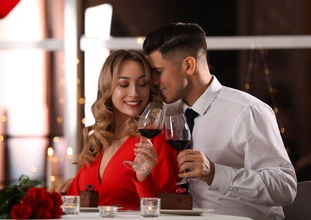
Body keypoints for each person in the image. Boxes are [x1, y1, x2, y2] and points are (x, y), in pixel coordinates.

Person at [142, 22, 297, 220]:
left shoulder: (247, 111)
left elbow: (285, 188)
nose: (153, 81)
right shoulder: (167, 113)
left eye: (158, 71)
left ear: (188, 65)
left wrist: (215, 173)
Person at [56, 49, 179, 210]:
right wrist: (64, 196)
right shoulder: (98, 141)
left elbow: (172, 210)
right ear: (108, 88)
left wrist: (144, 179)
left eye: (142, 84)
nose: (134, 93)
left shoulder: (156, 141)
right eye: (124, 84)